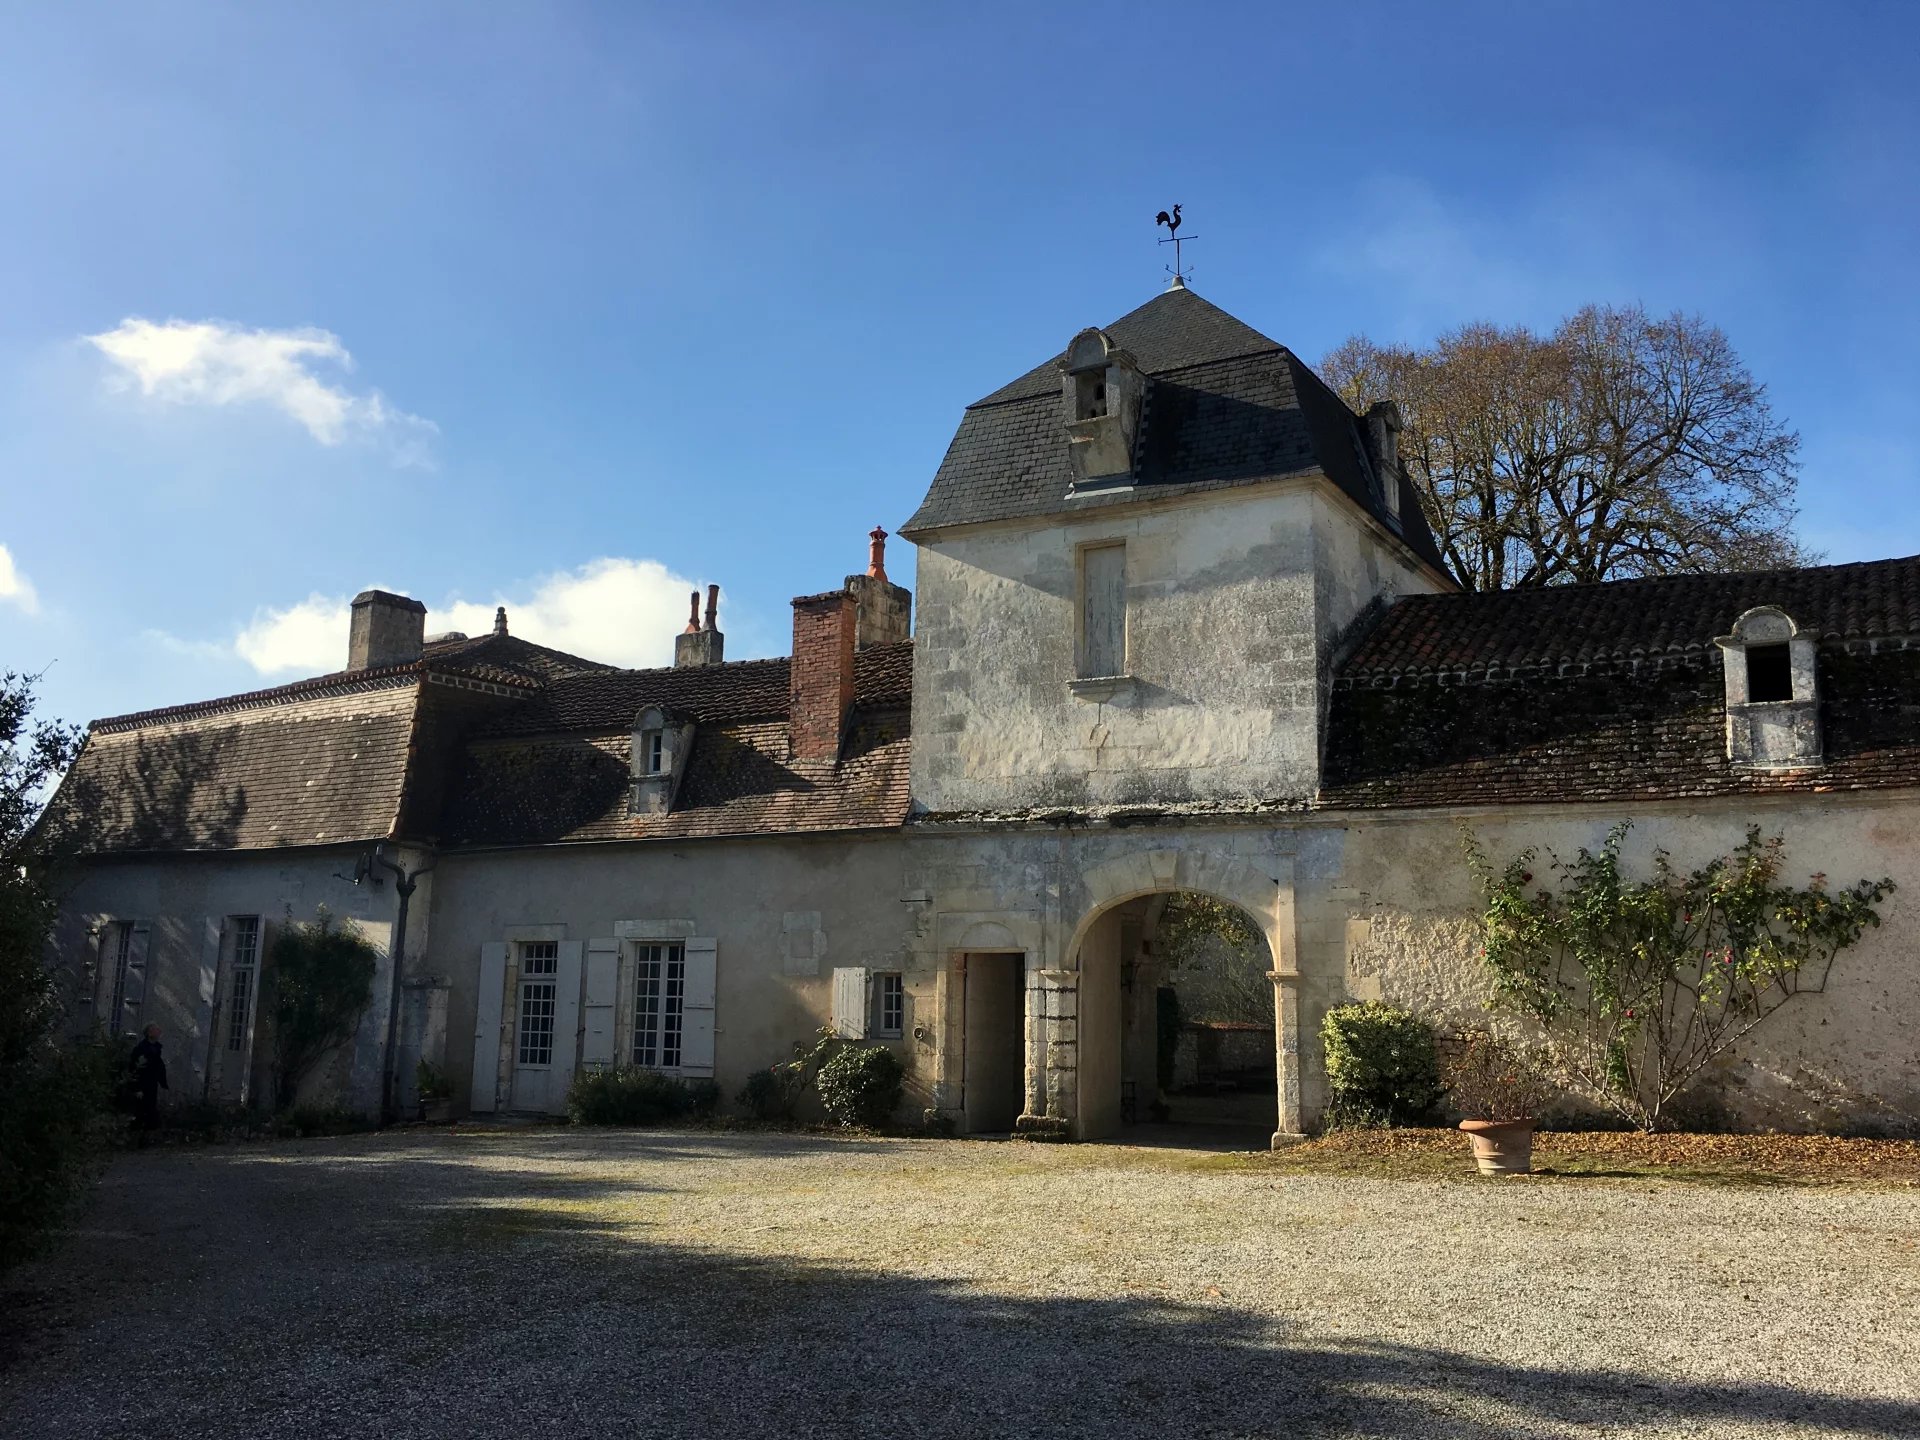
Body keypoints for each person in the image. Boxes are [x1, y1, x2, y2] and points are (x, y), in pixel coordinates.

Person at [130, 1023, 168, 1139]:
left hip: (152, 1084)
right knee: (141, 1111)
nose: (159, 1032)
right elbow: (134, 1069)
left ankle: (146, 1137)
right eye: (156, 1030)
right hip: (143, 1084)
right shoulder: (141, 1049)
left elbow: (159, 1067)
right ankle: (136, 1137)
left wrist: (163, 1083)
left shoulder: (157, 1048)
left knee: (151, 1110)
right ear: (149, 1033)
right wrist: (137, 1088)